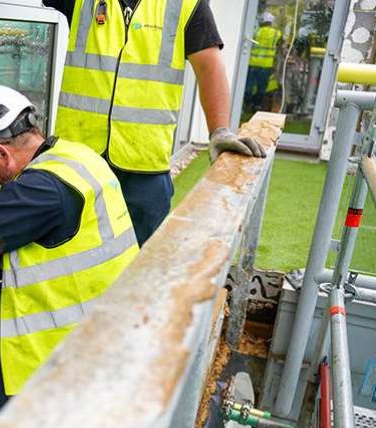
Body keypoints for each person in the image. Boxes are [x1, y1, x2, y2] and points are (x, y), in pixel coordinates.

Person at [0, 85, 139, 413]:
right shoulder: (77, 157)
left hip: (68, 358)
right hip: (110, 332)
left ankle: (21, 419)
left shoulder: (41, 189)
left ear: (1, 152)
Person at [46, 0, 266, 246]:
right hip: (75, 161)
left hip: (144, 169)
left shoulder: (185, 4)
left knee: (136, 261)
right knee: (64, 252)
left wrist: (220, 130)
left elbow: (208, 67)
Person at [244, 11, 283, 111]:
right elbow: (281, 46)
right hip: (266, 65)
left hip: (252, 63)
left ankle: (248, 103)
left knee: (248, 86)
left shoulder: (255, 31)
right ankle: (257, 105)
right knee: (262, 87)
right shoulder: (276, 33)